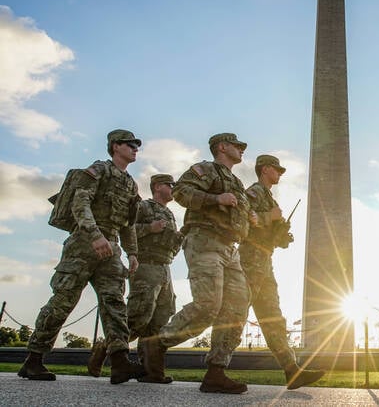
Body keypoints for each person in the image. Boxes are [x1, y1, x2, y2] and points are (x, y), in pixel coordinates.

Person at [19, 129, 144, 384]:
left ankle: (120, 362)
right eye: (130, 144)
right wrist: (94, 234)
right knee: (64, 300)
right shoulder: (99, 170)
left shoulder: (131, 183)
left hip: (111, 247)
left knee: (114, 302)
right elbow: (80, 203)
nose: (135, 148)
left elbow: (129, 223)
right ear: (115, 146)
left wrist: (132, 252)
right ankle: (33, 360)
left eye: (136, 145)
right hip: (84, 243)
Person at [143, 133, 256, 394]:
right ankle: (158, 342)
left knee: (237, 307)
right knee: (208, 305)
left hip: (230, 248)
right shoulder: (205, 169)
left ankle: (216, 371)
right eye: (237, 146)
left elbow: (236, 210)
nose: (241, 150)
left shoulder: (237, 183)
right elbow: (181, 191)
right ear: (222, 147)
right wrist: (216, 199)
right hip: (204, 241)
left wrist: (249, 217)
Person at [239, 155, 325, 389]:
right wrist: (271, 218)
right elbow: (243, 220)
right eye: (277, 170)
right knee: (236, 313)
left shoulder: (268, 197)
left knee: (273, 318)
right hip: (250, 259)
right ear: (265, 169)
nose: (280, 174)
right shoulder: (254, 193)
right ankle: (215, 369)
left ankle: (292, 371)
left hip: (265, 260)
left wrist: (281, 235)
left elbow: (265, 229)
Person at [87, 174, 183, 383]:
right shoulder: (143, 207)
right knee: (139, 316)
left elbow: (170, 243)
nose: (173, 188)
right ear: (158, 187)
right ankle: (106, 348)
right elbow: (126, 231)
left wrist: (179, 237)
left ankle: (151, 371)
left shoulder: (169, 213)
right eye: (170, 185)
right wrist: (149, 228)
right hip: (145, 266)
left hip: (165, 266)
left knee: (160, 319)